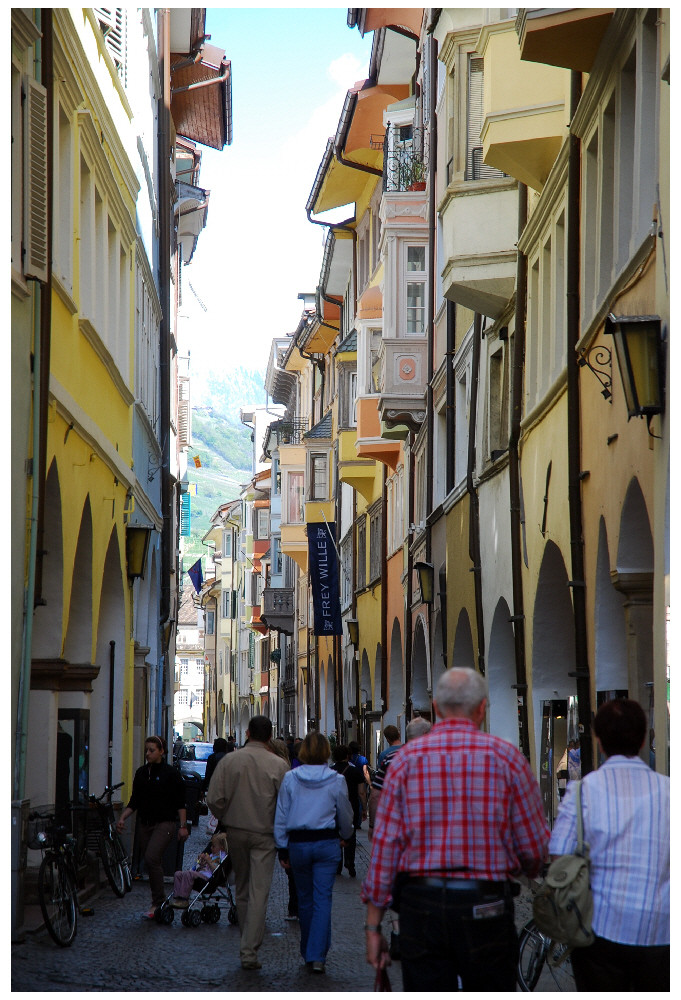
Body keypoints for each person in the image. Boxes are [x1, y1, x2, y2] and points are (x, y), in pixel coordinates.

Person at [362, 667, 549, 992]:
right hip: (487, 905)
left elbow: (385, 848)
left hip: (421, 906)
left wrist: (374, 927)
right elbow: (534, 848)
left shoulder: (405, 762)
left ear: (435, 708)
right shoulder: (508, 759)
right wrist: (521, 867)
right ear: (481, 708)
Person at [549, 698, 669, 992]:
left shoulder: (581, 794)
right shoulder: (671, 793)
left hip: (599, 930)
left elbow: (558, 857)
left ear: (599, 742)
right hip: (663, 930)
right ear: (643, 740)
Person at [206, 715, 289, 970]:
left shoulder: (231, 760)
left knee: (241, 887)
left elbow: (213, 798)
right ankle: (249, 950)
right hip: (265, 834)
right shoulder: (279, 765)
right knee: (259, 891)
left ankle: (247, 941)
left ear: (248, 734)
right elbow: (286, 805)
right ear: (270, 735)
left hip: (236, 831)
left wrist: (226, 816)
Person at [274, 732, 354, 974]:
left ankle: (309, 950)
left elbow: (281, 815)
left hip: (298, 844)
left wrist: (282, 847)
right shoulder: (336, 779)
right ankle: (316, 953)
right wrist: (345, 834)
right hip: (326, 843)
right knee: (322, 899)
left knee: (305, 899)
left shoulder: (290, 779)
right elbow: (345, 813)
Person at [117, 735, 190, 920]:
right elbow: (135, 800)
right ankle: (158, 901)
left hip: (165, 823)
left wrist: (183, 826)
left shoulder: (171, 774)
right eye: (146, 750)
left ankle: (158, 901)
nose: (148, 754)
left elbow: (180, 802)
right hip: (145, 823)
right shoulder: (141, 773)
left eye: (152, 750)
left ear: (161, 752)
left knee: (151, 857)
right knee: (152, 862)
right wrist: (123, 818)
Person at [368, 717, 431, 839]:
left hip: (397, 819)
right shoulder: (433, 758)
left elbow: (376, 794)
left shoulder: (387, 756)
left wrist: (373, 824)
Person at [330, 744, 366, 877]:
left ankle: (337, 865)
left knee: (336, 834)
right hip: (352, 806)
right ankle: (350, 862)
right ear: (347, 755)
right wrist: (364, 808)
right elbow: (361, 792)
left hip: (334, 807)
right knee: (351, 834)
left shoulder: (331, 770)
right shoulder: (355, 771)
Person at [172, 831, 228, 907]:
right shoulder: (212, 854)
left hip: (208, 878)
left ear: (221, 847)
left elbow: (216, 870)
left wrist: (209, 861)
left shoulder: (221, 857)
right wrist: (201, 862)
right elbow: (202, 866)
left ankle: (184, 899)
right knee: (178, 874)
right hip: (202, 873)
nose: (211, 848)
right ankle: (177, 896)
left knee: (189, 874)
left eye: (213, 846)